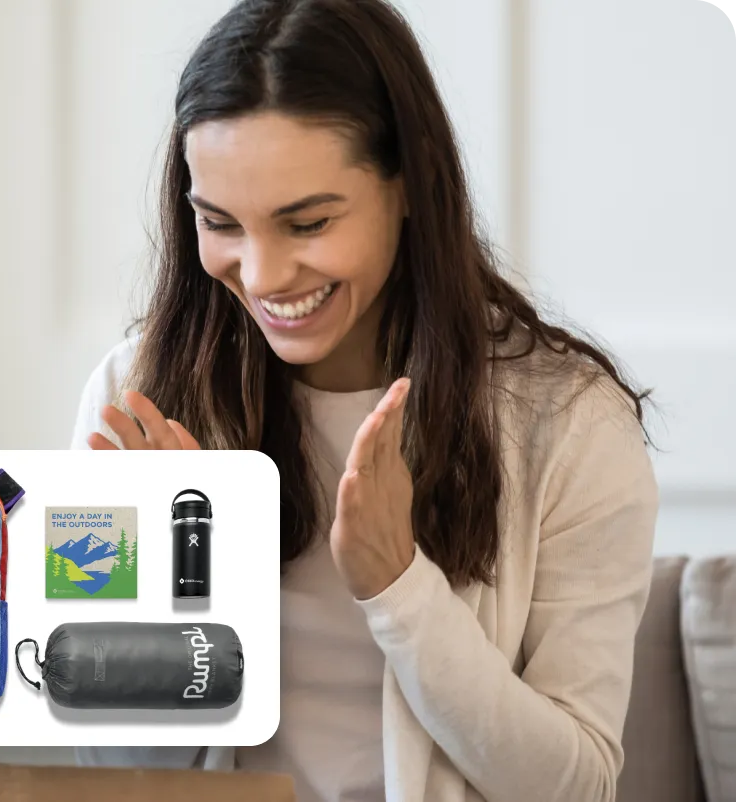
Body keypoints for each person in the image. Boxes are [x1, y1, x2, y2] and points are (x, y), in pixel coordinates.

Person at [68, 0, 659, 800]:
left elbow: (576, 784)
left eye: (307, 223)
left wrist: (400, 588)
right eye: (220, 223)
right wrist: (183, 591)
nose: (263, 275)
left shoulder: (570, 424)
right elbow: (111, 770)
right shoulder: (134, 399)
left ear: (410, 184)